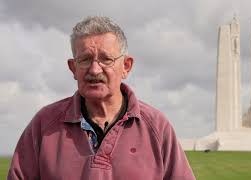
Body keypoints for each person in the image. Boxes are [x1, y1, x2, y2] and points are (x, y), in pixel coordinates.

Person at [7, 16, 195, 180]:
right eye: (85, 59)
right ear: (73, 68)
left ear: (126, 66)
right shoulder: (44, 124)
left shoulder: (156, 127)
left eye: (106, 59)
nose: (95, 69)